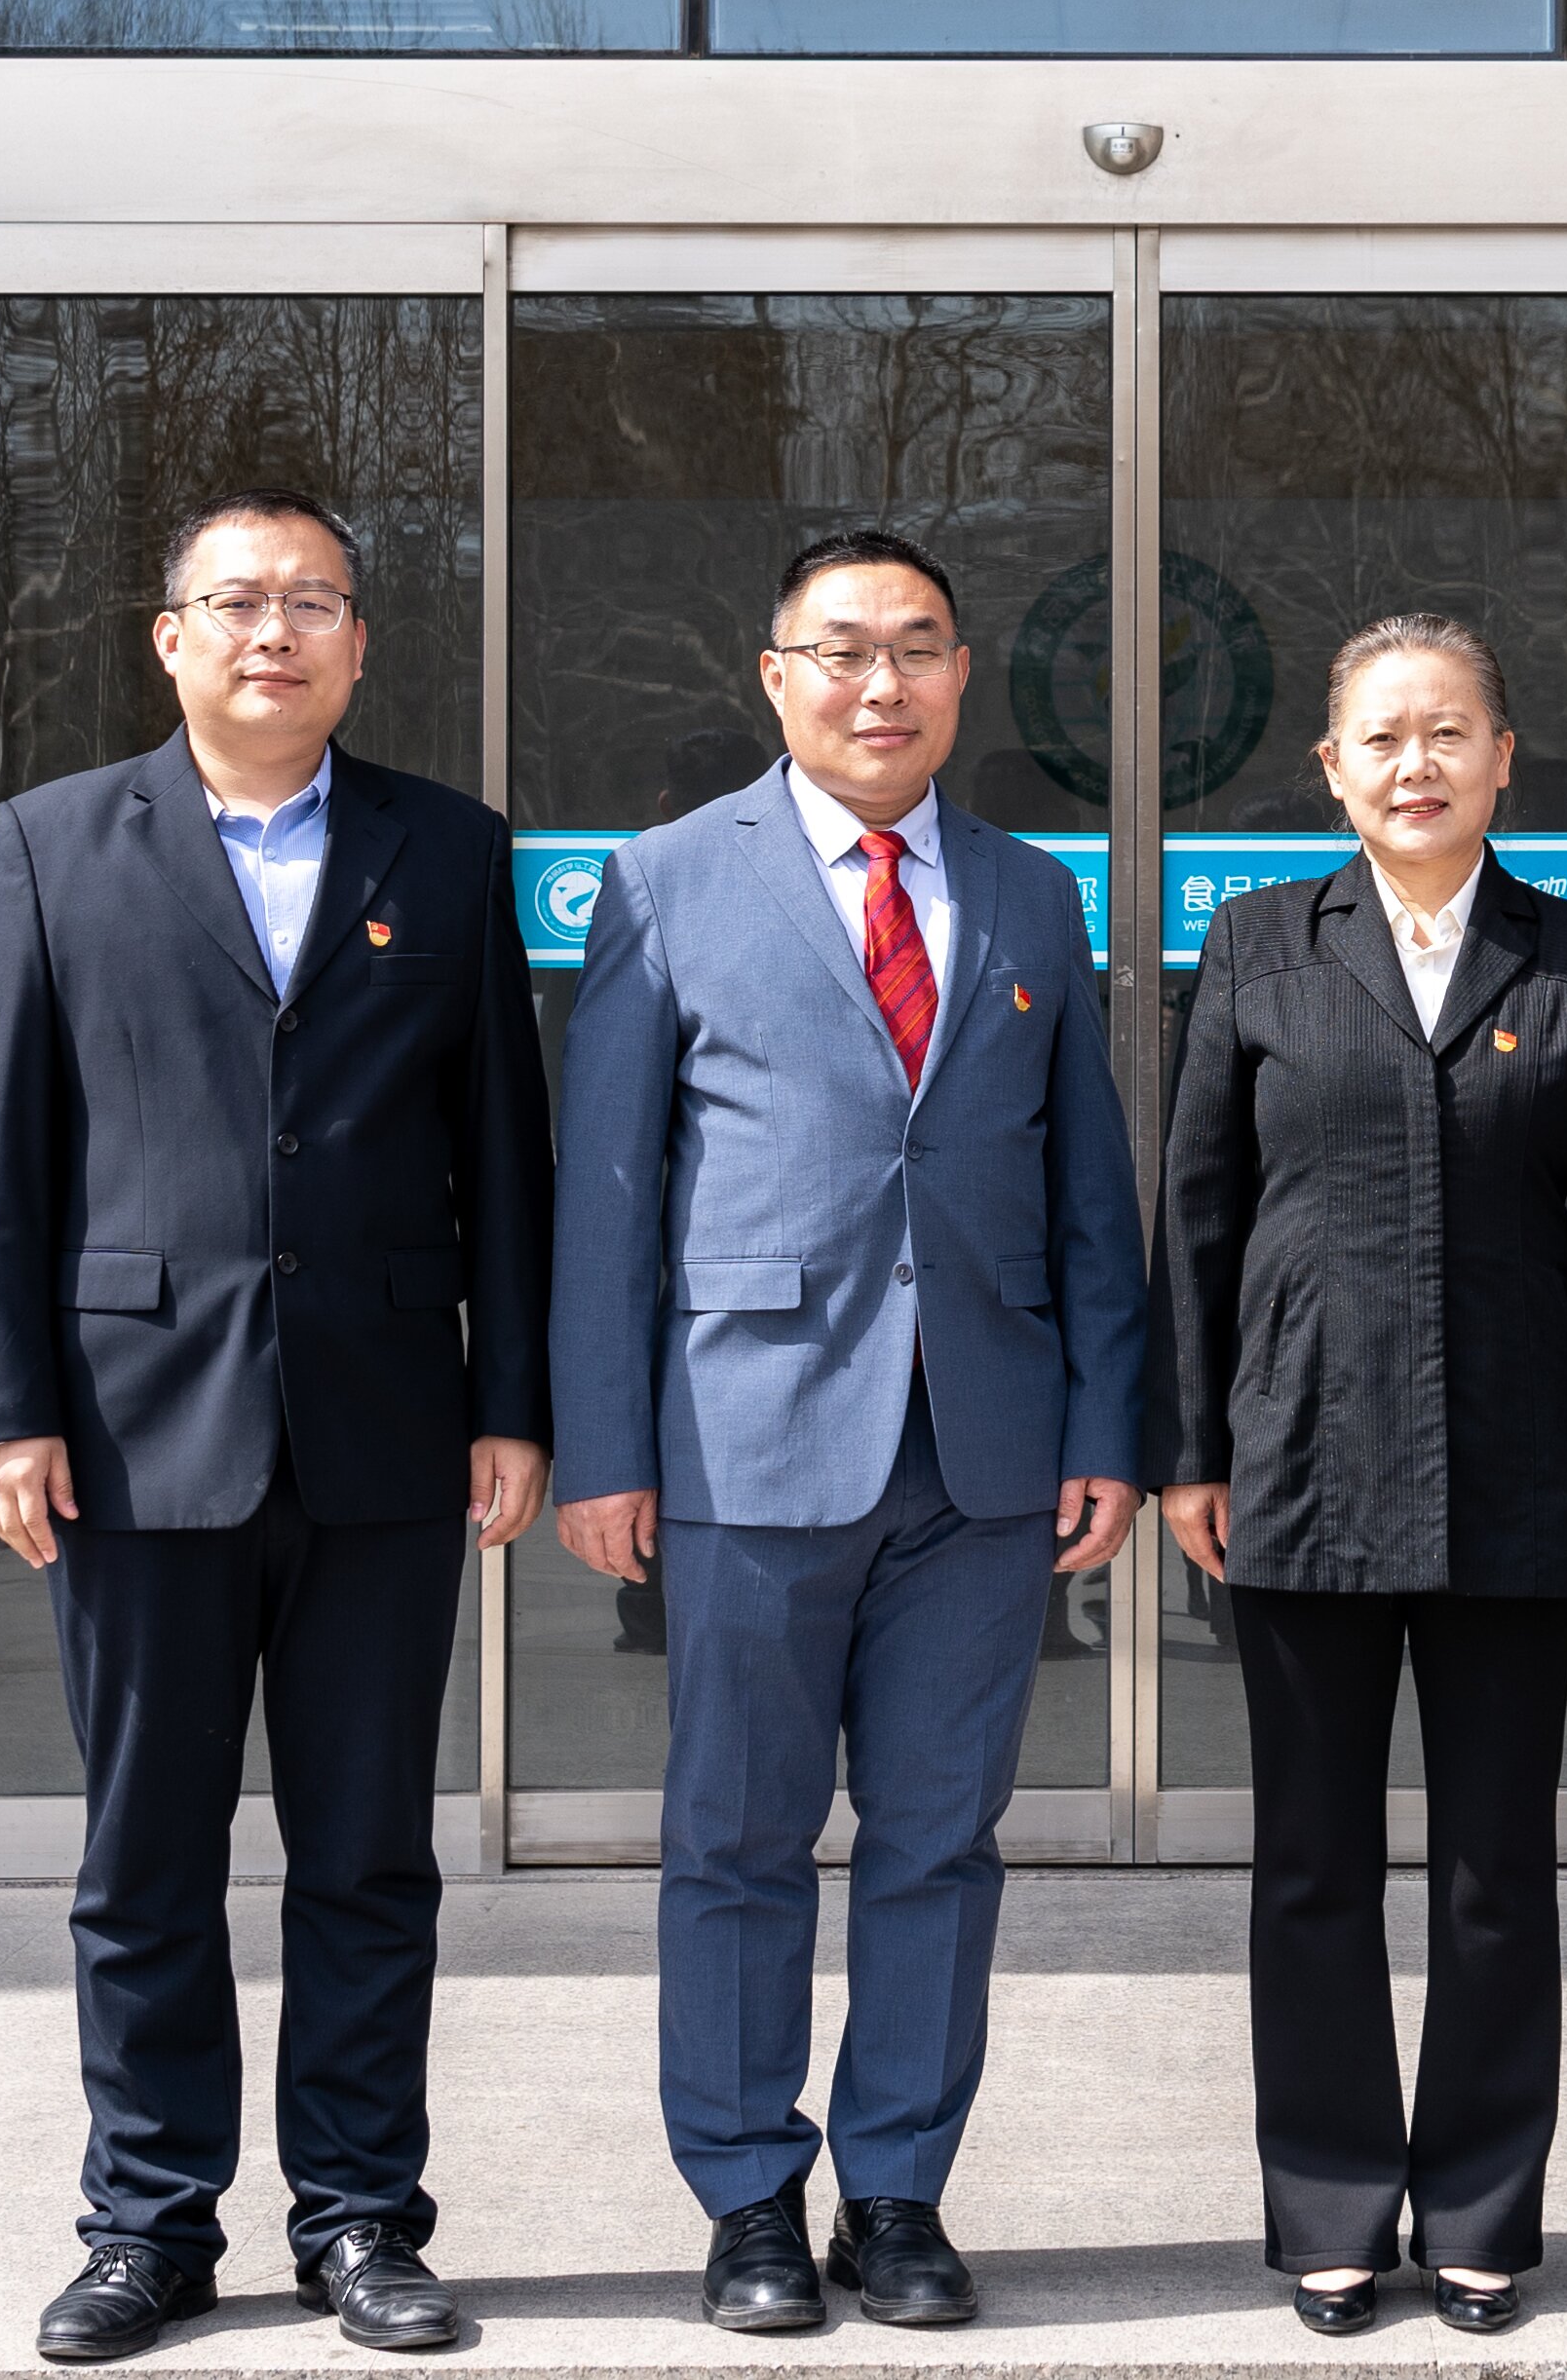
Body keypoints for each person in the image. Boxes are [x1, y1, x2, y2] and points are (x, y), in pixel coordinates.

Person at [0, 488, 553, 2366]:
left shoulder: (449, 849)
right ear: (170, 637)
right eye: (235, 601)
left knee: (369, 1858)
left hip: (385, 1430)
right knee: (145, 1862)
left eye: (312, 602)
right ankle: (149, 2225)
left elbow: (502, 1152)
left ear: (360, 642)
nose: (272, 631)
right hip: (132, 1435)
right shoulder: (53, 842)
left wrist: (512, 1401)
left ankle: (360, 2218)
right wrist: (3, 1413)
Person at [550, 526, 1147, 2338]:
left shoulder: (1030, 892)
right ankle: (746, 2195)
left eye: (918, 648)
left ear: (960, 676)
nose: (881, 684)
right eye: (842, 650)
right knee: (736, 1838)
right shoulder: (664, 881)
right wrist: (604, 1445)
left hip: (983, 1448)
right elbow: (607, 1190)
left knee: (938, 1843)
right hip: (744, 1439)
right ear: (776, 677)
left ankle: (897, 2192)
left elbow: (1085, 1186)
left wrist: (1104, 1420)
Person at [1155, 614, 1567, 2340]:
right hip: (1297, 1459)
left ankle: (1477, 2214)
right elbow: (1197, 1216)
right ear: (1331, 768)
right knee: (1309, 1864)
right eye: (1379, 737)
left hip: (1523, 1469)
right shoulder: (1258, 945)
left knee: (1493, 1873)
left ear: (1503, 757)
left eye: (1447, 731)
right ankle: (1325, 2208)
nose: (1415, 763)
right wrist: (1189, 1450)